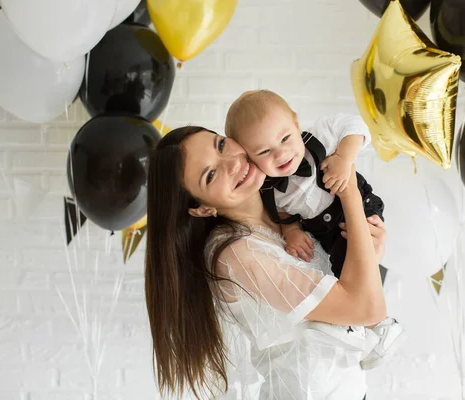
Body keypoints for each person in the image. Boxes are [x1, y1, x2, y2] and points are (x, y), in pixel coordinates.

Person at [145, 126, 387, 399]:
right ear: (202, 208)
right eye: (211, 175)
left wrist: (366, 246)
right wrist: (350, 190)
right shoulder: (236, 254)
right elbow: (367, 308)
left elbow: (354, 300)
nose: (234, 163)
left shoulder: (291, 208)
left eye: (222, 145)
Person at [224, 90, 405, 369]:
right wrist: (292, 231)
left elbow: (355, 127)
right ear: (250, 159)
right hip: (327, 231)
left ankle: (381, 326)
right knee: (341, 271)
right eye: (264, 151)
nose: (281, 153)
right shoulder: (269, 189)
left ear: (297, 124)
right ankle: (362, 327)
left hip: (356, 208)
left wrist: (344, 158)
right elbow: (283, 213)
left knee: (352, 263)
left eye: (285, 138)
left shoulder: (319, 136)